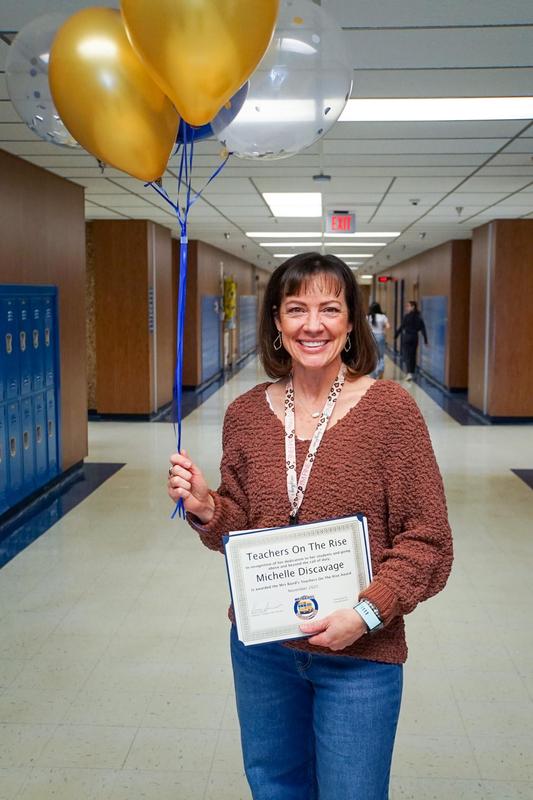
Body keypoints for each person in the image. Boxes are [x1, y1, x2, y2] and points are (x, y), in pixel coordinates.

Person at [167, 253, 453, 800]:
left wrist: (365, 614)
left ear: (351, 323)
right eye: (296, 309)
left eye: (329, 308)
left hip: (360, 655)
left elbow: (429, 541)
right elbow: (243, 527)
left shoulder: (392, 412)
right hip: (264, 651)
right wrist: (207, 508)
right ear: (277, 321)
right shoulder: (247, 414)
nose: (313, 324)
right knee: (275, 786)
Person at [395, 300, 428, 381]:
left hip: (407, 337)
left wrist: (396, 335)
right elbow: (423, 328)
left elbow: (402, 326)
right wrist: (425, 340)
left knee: (407, 356)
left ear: (413, 307)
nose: (407, 308)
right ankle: (412, 373)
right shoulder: (419, 317)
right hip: (414, 337)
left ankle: (409, 373)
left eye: (408, 306)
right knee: (413, 355)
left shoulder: (407, 316)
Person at [367, 300, 390, 379]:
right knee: (381, 355)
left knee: (372, 356)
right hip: (380, 337)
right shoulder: (383, 317)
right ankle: (380, 370)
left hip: (371, 337)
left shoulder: (368, 317)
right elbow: (388, 326)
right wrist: (382, 329)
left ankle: (373, 375)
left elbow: (366, 327)